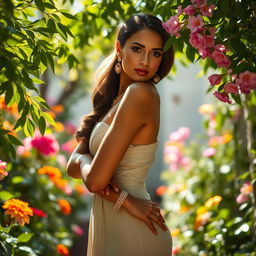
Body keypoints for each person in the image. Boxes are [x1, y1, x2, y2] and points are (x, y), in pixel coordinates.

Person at [66, 13, 174, 256]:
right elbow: (73, 166)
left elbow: (94, 181)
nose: (145, 61)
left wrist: (87, 163)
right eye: (137, 49)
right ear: (119, 48)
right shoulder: (115, 100)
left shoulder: (141, 93)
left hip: (134, 228)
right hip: (119, 218)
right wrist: (85, 161)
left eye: (155, 53)